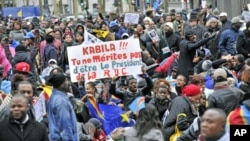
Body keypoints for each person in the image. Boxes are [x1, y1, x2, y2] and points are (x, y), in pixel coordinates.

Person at [47, 73, 79, 141]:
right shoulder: (60, 101)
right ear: (62, 83)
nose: (68, 83)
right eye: (66, 81)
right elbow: (65, 127)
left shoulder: (54, 97)